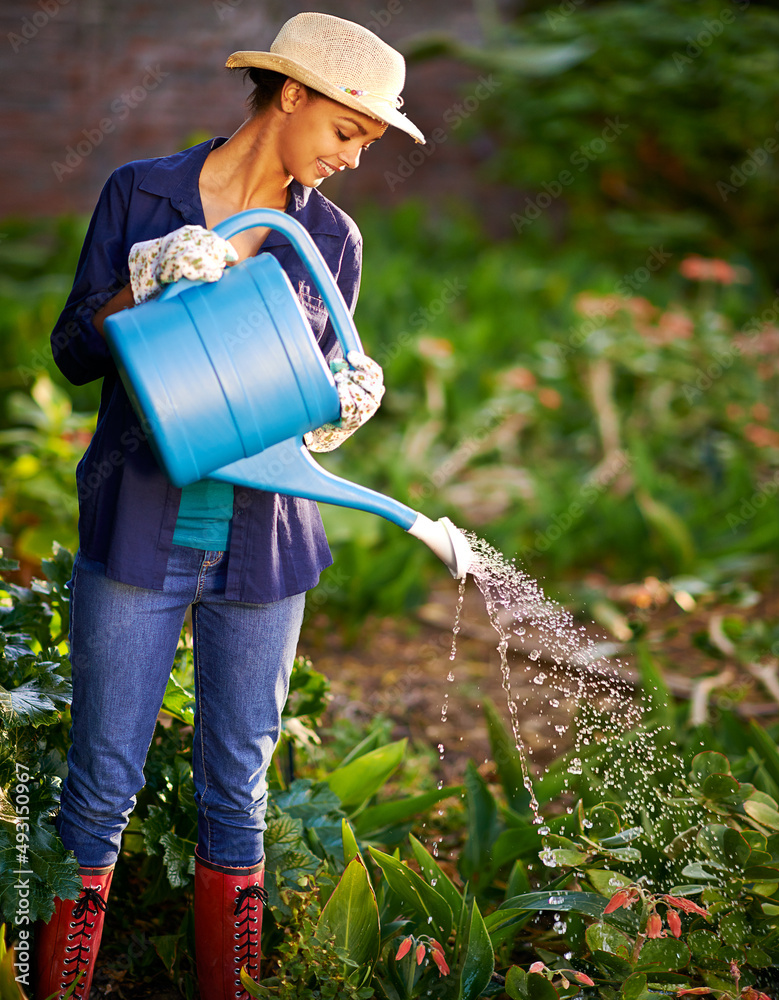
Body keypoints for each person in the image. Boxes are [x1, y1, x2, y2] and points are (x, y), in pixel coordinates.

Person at [36, 12, 425, 1000]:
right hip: (139, 527)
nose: (351, 157)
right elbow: (75, 355)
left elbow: (311, 389)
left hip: (264, 550)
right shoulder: (143, 192)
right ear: (290, 93)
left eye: (366, 143)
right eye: (347, 130)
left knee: (237, 798)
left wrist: (341, 407)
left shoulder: (329, 238)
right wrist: (146, 276)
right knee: (100, 788)